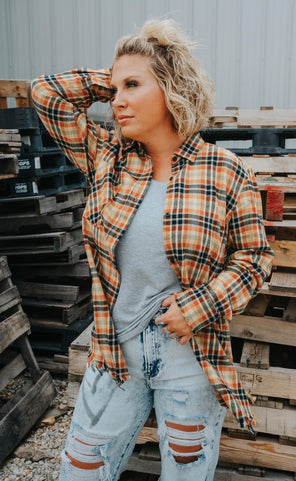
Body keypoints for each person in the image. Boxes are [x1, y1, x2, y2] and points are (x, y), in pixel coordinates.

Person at [32, 18, 273, 481]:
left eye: (133, 86)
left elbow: (255, 259)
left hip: (188, 355)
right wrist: (118, 74)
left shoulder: (225, 170)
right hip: (113, 353)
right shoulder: (107, 157)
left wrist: (201, 305)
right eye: (113, 88)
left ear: (172, 88)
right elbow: (47, 93)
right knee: (81, 471)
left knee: (185, 475)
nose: (116, 100)